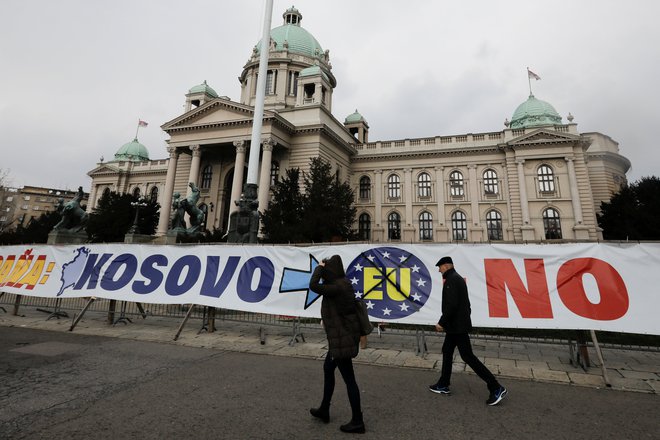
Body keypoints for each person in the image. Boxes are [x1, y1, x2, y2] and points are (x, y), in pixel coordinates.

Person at [429, 256, 508, 406]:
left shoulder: (452, 280)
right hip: (456, 327)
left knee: (468, 357)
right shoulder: (457, 279)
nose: (439, 270)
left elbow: (451, 305)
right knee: (447, 350)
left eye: (439, 267)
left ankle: (496, 387)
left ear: (446, 266)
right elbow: (466, 304)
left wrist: (441, 322)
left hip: (456, 327)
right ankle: (443, 384)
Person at [308, 255, 365, 434]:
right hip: (341, 338)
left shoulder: (337, 287)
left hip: (341, 341)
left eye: (326, 270)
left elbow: (313, 285)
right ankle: (324, 409)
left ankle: (358, 421)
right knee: (328, 369)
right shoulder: (343, 283)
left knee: (350, 380)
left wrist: (318, 267)